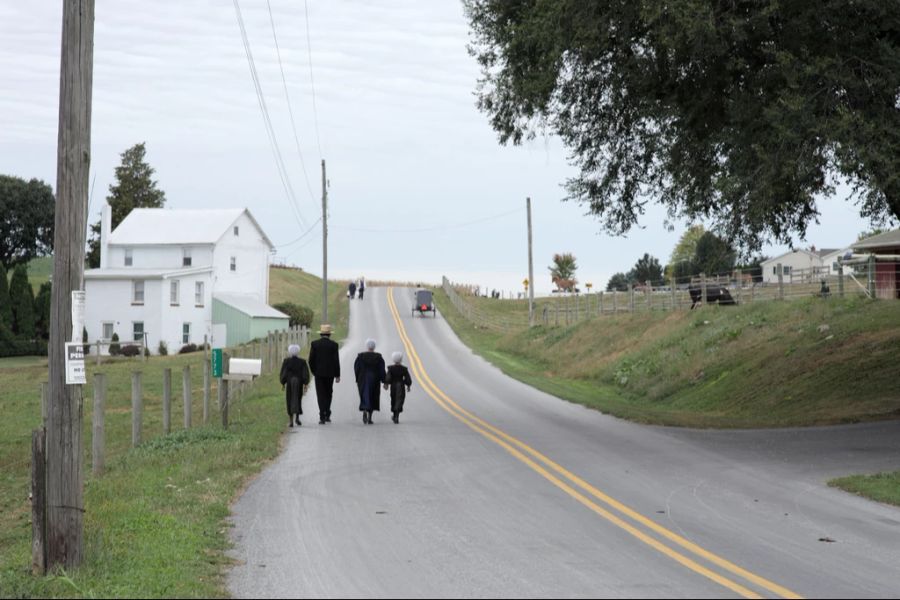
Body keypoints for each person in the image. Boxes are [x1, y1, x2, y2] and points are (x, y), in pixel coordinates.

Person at [308, 323, 340, 424]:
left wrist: (314, 371)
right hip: (330, 374)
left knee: (320, 394)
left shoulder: (315, 344)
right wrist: (337, 374)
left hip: (319, 374)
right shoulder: (334, 345)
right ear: (329, 334)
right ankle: (327, 413)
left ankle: (322, 414)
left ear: (321, 334)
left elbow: (311, 360)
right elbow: (336, 361)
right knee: (328, 393)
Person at [354, 338, 384, 424]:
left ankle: (364, 410)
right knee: (373, 396)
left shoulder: (360, 356)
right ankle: (370, 417)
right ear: (374, 347)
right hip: (374, 378)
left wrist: (357, 378)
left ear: (367, 346)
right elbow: (381, 370)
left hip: (362, 378)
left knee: (364, 395)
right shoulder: (378, 357)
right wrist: (384, 380)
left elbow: (356, 368)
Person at [279, 344, 310, 428]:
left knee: (289, 400)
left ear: (289, 352)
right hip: (299, 382)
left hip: (289, 383)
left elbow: (283, 373)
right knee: (298, 399)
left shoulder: (286, 361)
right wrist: (305, 383)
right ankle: (297, 418)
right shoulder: (302, 362)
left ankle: (291, 421)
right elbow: (305, 374)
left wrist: (283, 382)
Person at [384, 351, 412, 424]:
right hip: (401, 385)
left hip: (393, 386)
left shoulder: (391, 369)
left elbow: (388, 377)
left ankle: (394, 415)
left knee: (393, 399)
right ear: (401, 359)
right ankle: (396, 416)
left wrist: (386, 384)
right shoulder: (404, 369)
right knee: (399, 400)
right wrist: (408, 385)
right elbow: (407, 378)